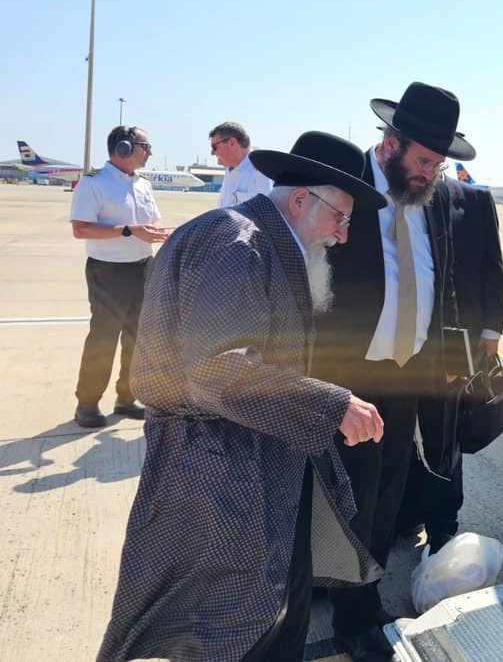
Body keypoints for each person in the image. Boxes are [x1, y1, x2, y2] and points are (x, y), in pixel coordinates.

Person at [97, 131, 388, 662]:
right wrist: (331, 404)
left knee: (270, 609)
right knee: (229, 628)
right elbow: (216, 369)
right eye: (340, 218)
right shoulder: (235, 242)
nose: (343, 236)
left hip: (254, 463)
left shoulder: (263, 241)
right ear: (300, 200)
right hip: (220, 472)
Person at [312, 82, 474, 661]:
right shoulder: (342, 186)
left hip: (406, 376)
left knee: (386, 496)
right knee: (349, 497)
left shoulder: (429, 201)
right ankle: (354, 616)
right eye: (424, 160)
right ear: (389, 143)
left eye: (438, 164)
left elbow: (438, 280)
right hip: (350, 376)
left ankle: (359, 592)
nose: (431, 173)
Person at [396, 171, 503, 552]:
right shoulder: (396, 194)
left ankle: (443, 523)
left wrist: (490, 334)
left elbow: (493, 267)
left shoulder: (475, 200)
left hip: (457, 342)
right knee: (401, 435)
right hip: (403, 340)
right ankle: (405, 515)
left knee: (444, 437)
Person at [69, 125, 169, 428]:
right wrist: (128, 231)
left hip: (143, 267)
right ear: (124, 148)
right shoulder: (93, 183)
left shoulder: (143, 184)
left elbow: (151, 221)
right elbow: (80, 229)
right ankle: (87, 404)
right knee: (103, 338)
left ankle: (127, 398)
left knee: (138, 338)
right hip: (108, 270)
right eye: (145, 146)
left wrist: (154, 233)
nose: (150, 152)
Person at [210, 120, 273, 207]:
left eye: (214, 147)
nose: (212, 153)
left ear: (232, 143)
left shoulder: (261, 169)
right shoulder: (230, 170)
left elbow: (269, 210)